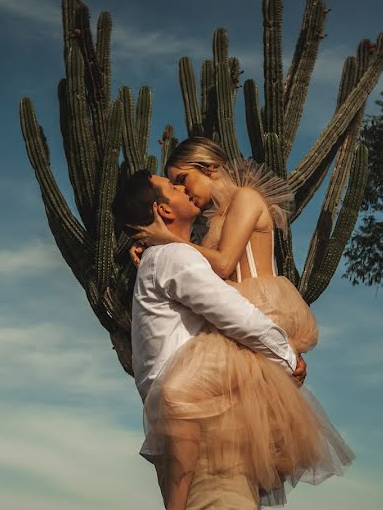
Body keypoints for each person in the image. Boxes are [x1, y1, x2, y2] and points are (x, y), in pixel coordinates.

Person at [131, 137, 354, 508]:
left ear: (209, 168)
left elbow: (222, 263)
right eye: (176, 185)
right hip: (240, 313)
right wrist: (158, 254)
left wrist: (165, 239)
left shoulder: (247, 198)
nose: (185, 190)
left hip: (262, 306)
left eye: (184, 179)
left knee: (179, 390)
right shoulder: (215, 221)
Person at [113, 170, 307, 510]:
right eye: (172, 186)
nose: (182, 187)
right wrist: (287, 356)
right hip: (204, 430)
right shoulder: (172, 257)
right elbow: (233, 313)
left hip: (183, 431)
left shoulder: (159, 260)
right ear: (164, 211)